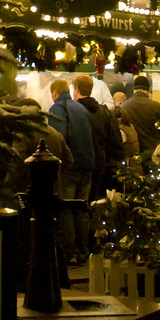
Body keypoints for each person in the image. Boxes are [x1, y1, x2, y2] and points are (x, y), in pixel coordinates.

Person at [47, 77, 95, 264]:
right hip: (87, 165)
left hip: (70, 167)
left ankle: (71, 252)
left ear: (54, 93)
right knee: (81, 209)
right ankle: (83, 251)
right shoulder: (81, 108)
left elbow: (57, 140)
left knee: (66, 209)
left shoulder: (57, 109)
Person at [72, 73, 124, 200]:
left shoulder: (73, 112)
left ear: (77, 89)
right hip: (101, 163)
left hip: (79, 165)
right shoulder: (104, 112)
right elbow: (114, 140)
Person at [120, 74, 160, 156]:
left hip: (131, 151)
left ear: (134, 90)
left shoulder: (123, 106)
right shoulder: (156, 106)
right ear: (147, 90)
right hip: (152, 150)